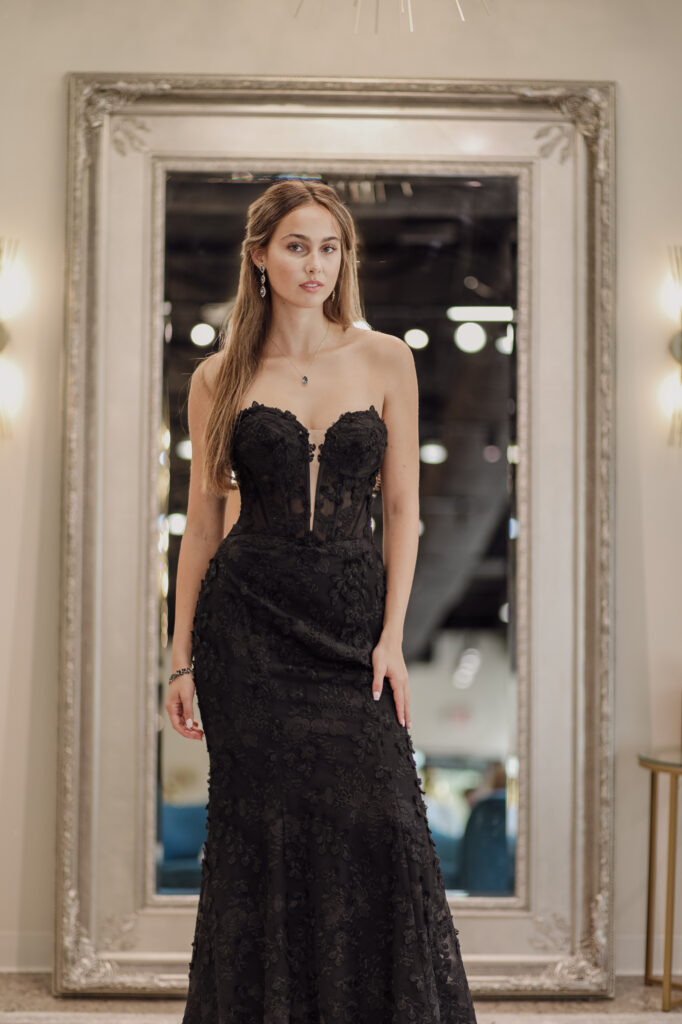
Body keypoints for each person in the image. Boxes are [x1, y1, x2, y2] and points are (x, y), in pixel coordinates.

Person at [166, 179, 478, 1023]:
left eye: (330, 247)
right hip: (247, 631)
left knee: (382, 826)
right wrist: (180, 655)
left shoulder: (384, 359)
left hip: (349, 629)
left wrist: (391, 639)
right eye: (297, 246)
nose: (315, 264)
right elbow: (202, 521)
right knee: (259, 840)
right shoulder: (217, 376)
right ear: (260, 256)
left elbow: (406, 511)